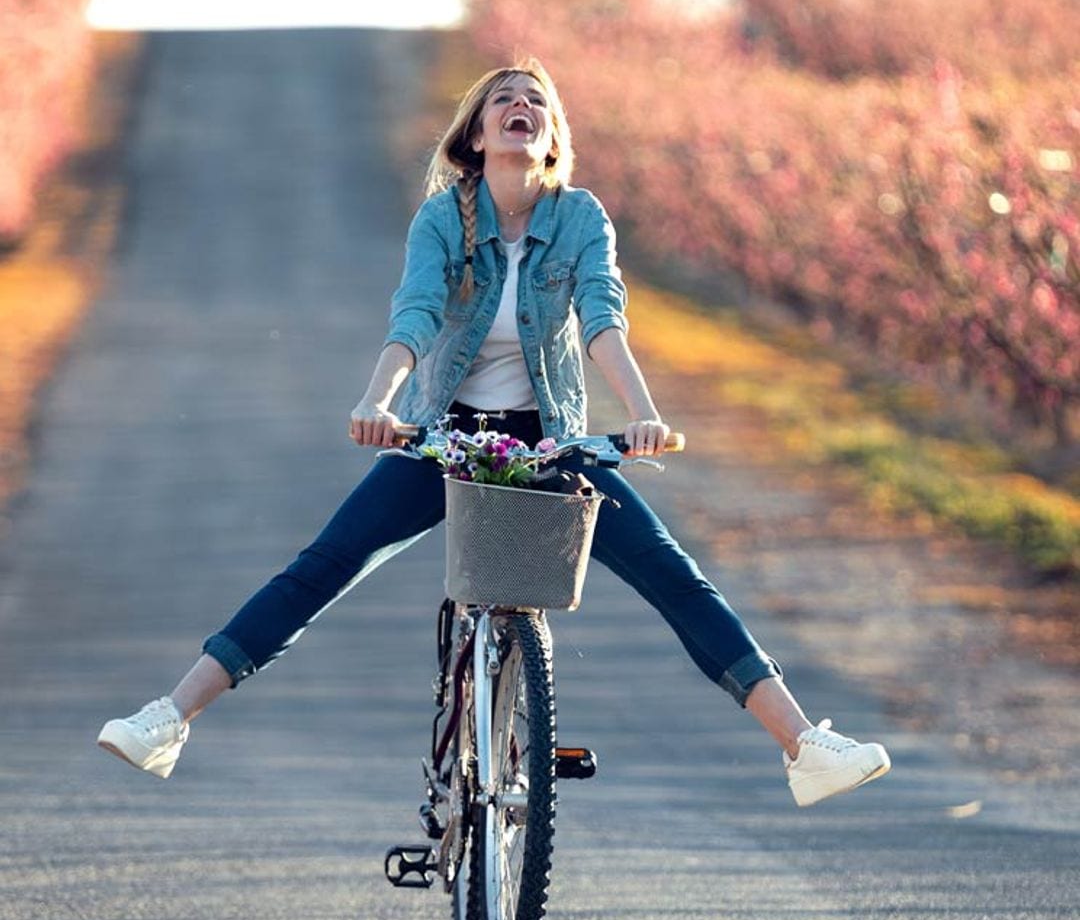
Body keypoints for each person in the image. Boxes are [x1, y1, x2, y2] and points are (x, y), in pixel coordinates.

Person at [97, 58, 890, 807]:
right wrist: (379, 402)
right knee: (324, 566)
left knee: (675, 577)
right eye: (505, 98)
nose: (522, 106)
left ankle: (803, 748)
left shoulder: (580, 216)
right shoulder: (444, 219)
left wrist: (643, 415)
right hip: (448, 439)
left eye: (537, 101)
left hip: (550, 443)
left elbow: (603, 319)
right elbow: (413, 314)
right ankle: (170, 719)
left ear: (552, 136)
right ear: (477, 134)